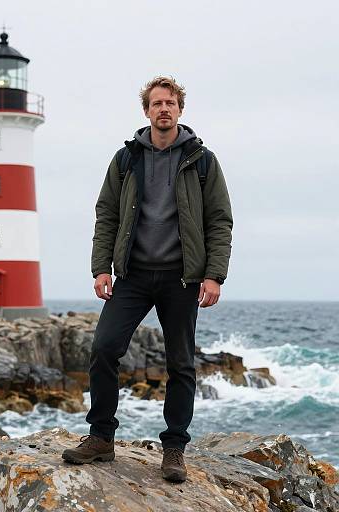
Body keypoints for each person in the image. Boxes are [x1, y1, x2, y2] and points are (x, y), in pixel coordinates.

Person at [61, 76, 233, 482]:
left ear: (180, 109)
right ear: (146, 111)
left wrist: (214, 274)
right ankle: (101, 437)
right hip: (133, 276)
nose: (164, 109)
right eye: (157, 103)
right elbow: (107, 214)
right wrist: (101, 266)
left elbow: (219, 221)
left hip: (182, 279)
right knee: (104, 348)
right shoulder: (126, 160)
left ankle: (174, 449)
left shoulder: (202, 160)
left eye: (170, 103)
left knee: (180, 364)